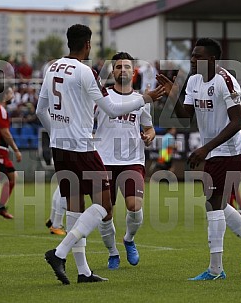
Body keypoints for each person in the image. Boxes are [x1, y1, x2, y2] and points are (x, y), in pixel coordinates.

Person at [36, 24, 164, 285]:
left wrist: (58, 133)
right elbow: (111, 109)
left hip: (59, 148)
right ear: (87, 45)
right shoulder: (85, 72)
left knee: (75, 209)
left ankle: (82, 272)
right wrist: (145, 98)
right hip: (83, 147)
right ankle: (59, 253)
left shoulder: (52, 68)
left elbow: (40, 111)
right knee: (104, 206)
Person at [156, 38, 241, 280]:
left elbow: (236, 123)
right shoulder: (194, 80)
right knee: (217, 203)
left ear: (210, 60)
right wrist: (173, 96)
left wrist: (204, 148)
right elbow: (185, 116)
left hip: (229, 150)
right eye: (192, 55)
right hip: (213, 151)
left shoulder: (225, 81)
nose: (191, 59)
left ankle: (216, 270)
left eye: (197, 56)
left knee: (213, 205)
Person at [95, 52, 155, 270]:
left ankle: (128, 239)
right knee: (105, 212)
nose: (122, 70)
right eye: (118, 66)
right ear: (113, 71)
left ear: (134, 71)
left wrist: (149, 136)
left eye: (126, 66)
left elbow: (149, 128)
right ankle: (112, 253)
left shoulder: (141, 100)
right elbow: (85, 122)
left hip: (132, 160)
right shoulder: (102, 97)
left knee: (134, 205)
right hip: (103, 160)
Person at [0, 86, 22, 219]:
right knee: (9, 178)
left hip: (2, 151)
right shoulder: (0, 110)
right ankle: (0, 207)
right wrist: (16, 150)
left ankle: (0, 207)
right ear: (5, 95)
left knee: (7, 178)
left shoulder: (1, 110)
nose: (13, 96)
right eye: (11, 93)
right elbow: (5, 132)